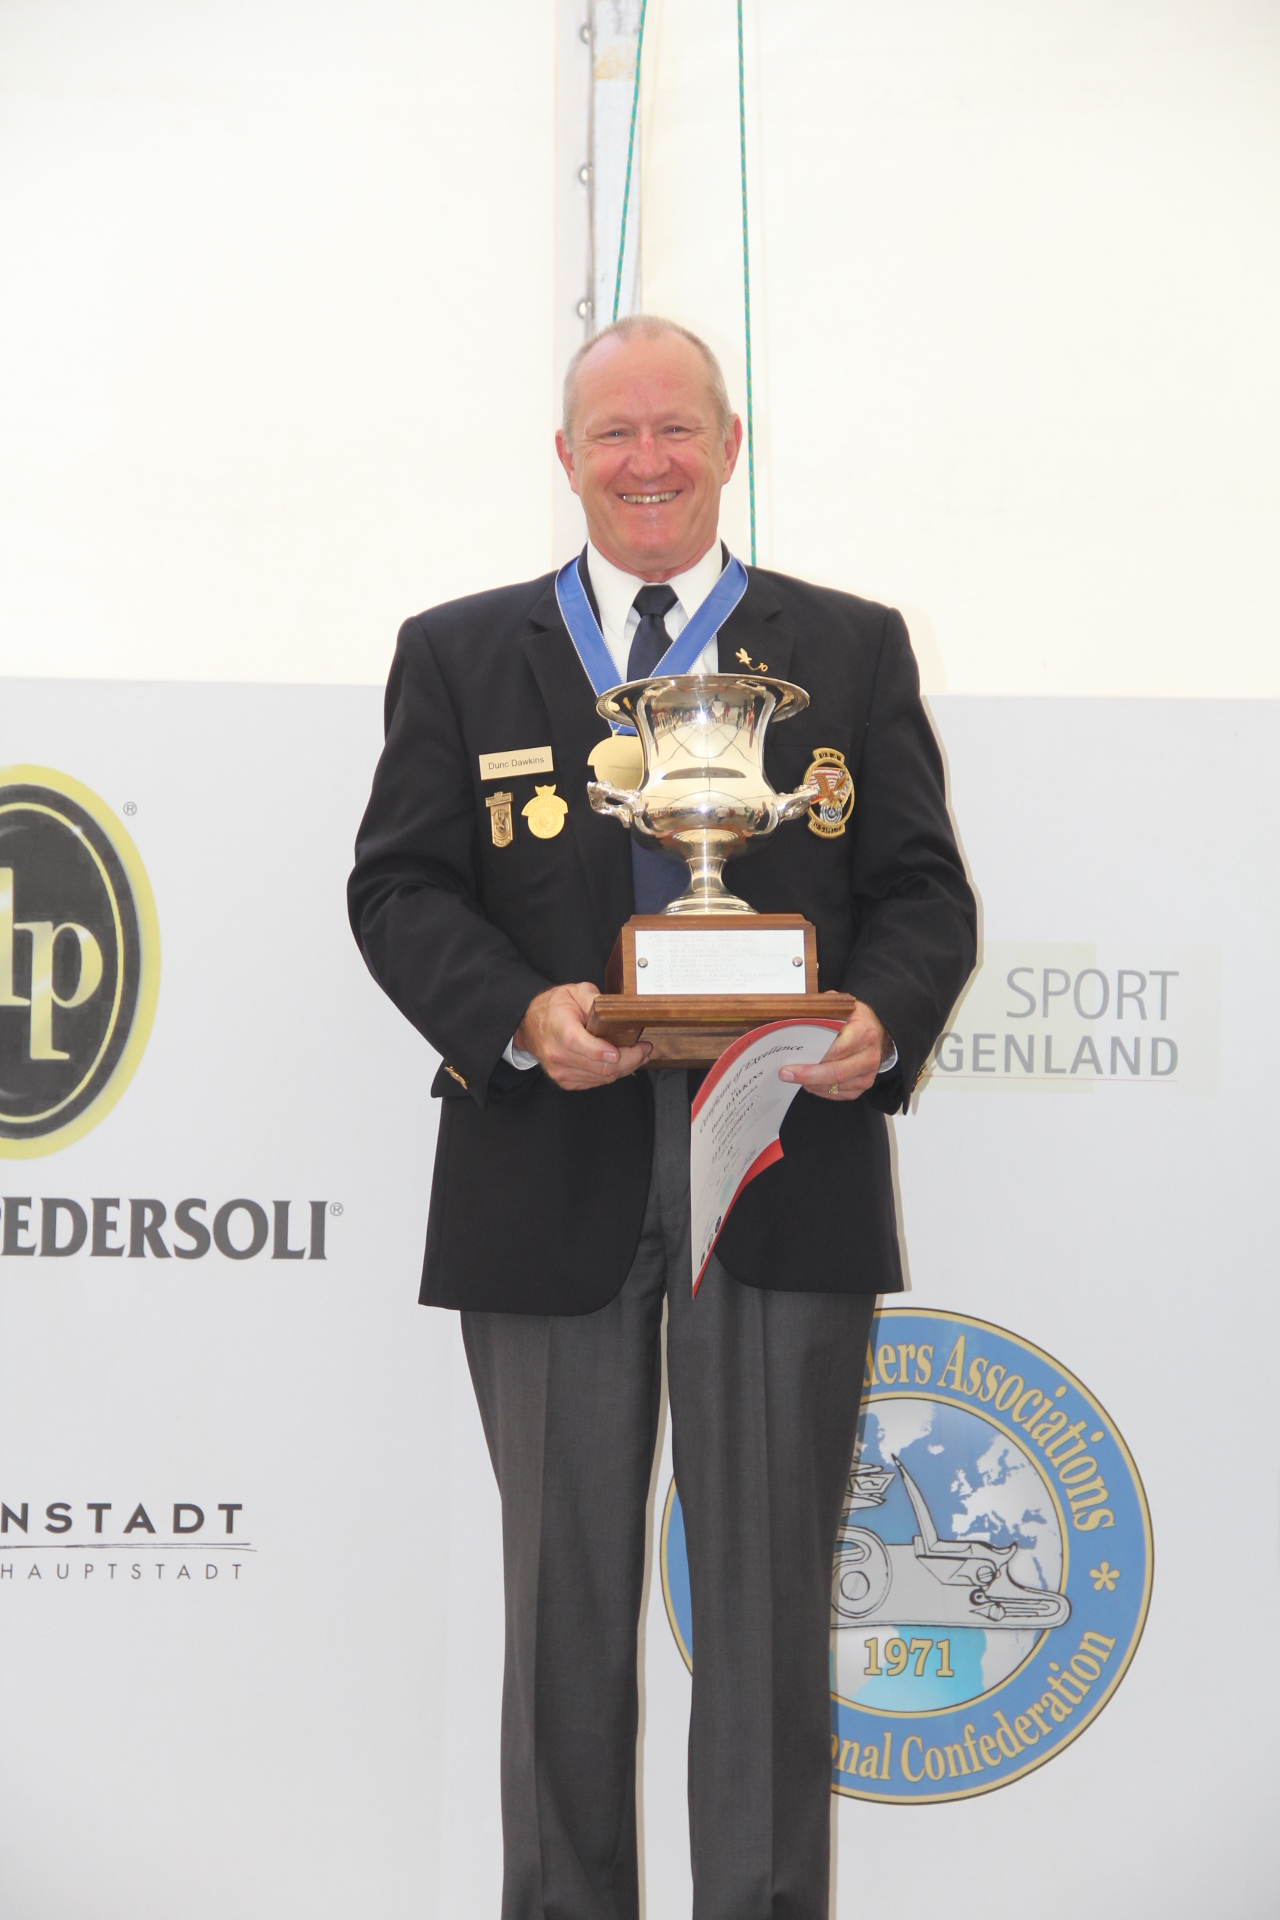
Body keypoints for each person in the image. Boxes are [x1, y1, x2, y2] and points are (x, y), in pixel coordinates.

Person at [348, 316, 976, 1920]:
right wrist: (520, 1017)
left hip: (783, 1165)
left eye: (677, 429)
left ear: (729, 444)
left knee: (764, 1609)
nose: (647, 461)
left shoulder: (850, 648)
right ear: (566, 459)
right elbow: (400, 887)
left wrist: (877, 1017)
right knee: (559, 1612)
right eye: (614, 434)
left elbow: (922, 893)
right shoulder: (459, 651)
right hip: (543, 1177)